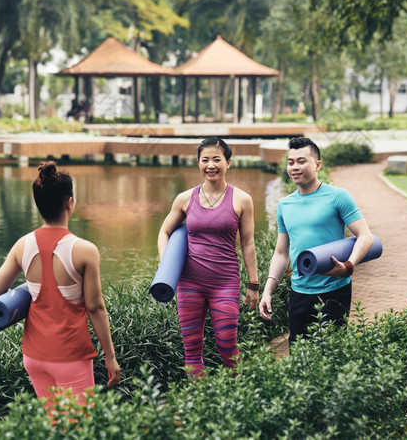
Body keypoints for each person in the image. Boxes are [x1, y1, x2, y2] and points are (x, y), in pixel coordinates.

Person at [0, 161, 120, 406]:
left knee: (54, 425)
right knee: (79, 429)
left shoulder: (22, 245)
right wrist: (110, 358)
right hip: (70, 357)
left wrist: (30, 292)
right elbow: (95, 307)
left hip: (33, 356)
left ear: (38, 203)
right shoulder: (84, 250)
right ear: (70, 202)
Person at [157, 136, 260, 378]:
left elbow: (248, 243)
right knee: (191, 350)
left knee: (227, 345)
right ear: (198, 163)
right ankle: (200, 404)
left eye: (216, 159)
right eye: (205, 160)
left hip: (225, 283)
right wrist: (165, 264)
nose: (210, 165)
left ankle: (240, 397)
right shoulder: (184, 199)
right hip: (189, 284)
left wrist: (253, 284)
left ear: (228, 162)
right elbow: (164, 231)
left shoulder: (242, 199)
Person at [259, 136, 374, 345]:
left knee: (331, 353)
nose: (294, 167)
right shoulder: (285, 205)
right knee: (299, 357)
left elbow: (365, 236)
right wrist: (267, 292)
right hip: (299, 292)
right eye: (290, 162)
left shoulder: (338, 197)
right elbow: (281, 253)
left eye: (301, 161)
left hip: (334, 290)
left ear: (317, 164)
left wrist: (348, 266)